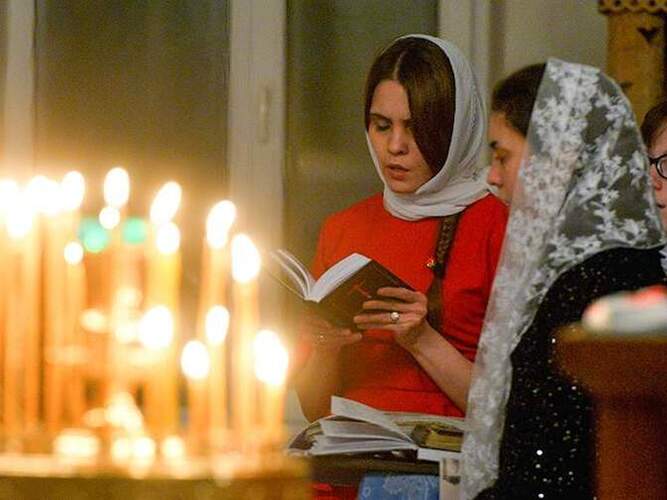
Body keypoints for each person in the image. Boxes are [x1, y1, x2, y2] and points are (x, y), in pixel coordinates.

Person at [292, 34, 507, 498]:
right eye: (381, 125)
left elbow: (514, 411)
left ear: (456, 128)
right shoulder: (343, 228)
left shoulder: (500, 224)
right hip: (347, 463)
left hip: (446, 471)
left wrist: (421, 340)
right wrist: (325, 350)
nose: (396, 146)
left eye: (416, 127)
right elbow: (313, 407)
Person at [461, 60, 667, 499]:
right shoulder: (582, 271)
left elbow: (560, 461)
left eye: (503, 156)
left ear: (558, 158)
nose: (493, 176)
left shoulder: (598, 283)